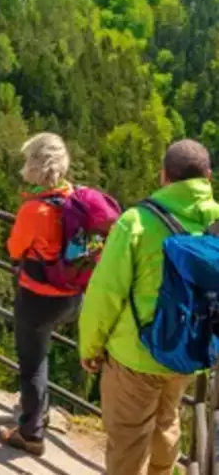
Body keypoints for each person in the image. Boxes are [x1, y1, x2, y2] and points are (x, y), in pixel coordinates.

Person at [79, 139, 219, 475]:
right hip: (189, 351)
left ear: (163, 177)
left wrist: (90, 347)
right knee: (167, 424)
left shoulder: (136, 223)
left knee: (128, 443)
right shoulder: (216, 221)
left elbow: (105, 293)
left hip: (135, 354)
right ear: (208, 177)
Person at [0, 133, 83, 457]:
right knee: (41, 354)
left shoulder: (35, 210)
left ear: (34, 165)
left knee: (31, 362)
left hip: (38, 299)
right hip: (72, 295)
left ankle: (31, 433)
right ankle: (41, 411)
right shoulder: (75, 198)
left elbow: (15, 248)